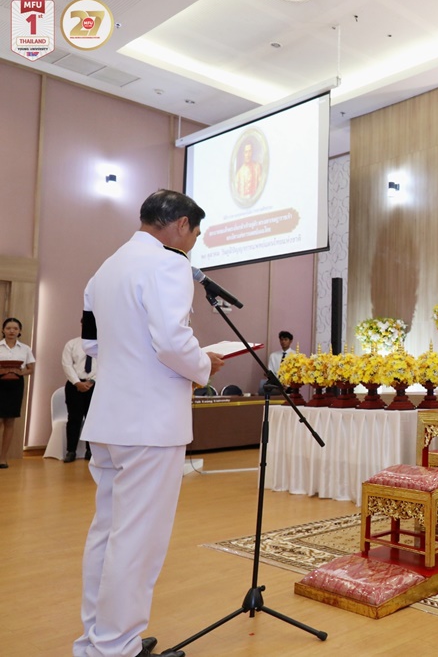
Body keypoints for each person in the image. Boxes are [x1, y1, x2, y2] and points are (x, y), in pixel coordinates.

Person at [74, 189, 224, 657]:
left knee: (108, 532)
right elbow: (172, 343)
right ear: (181, 225)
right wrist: (205, 363)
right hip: (151, 424)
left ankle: (98, 639)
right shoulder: (169, 263)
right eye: (195, 234)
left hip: (110, 420)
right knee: (138, 541)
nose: (193, 244)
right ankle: (118, 646)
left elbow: (91, 345)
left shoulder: (104, 270)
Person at [0, 317, 34, 469]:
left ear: (20, 331)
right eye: (8, 328)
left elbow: (31, 369)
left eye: (15, 328)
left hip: (15, 386)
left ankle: (3, 458)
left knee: (10, 421)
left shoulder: (25, 348)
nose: (11, 331)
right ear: (3, 330)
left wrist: (20, 372)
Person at [61, 334, 96, 463]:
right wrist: (77, 382)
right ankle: (71, 451)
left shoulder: (104, 344)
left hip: (95, 385)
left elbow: (106, 363)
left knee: (91, 419)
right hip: (74, 385)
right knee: (74, 418)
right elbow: (67, 365)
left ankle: (90, 451)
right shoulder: (72, 343)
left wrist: (92, 381)